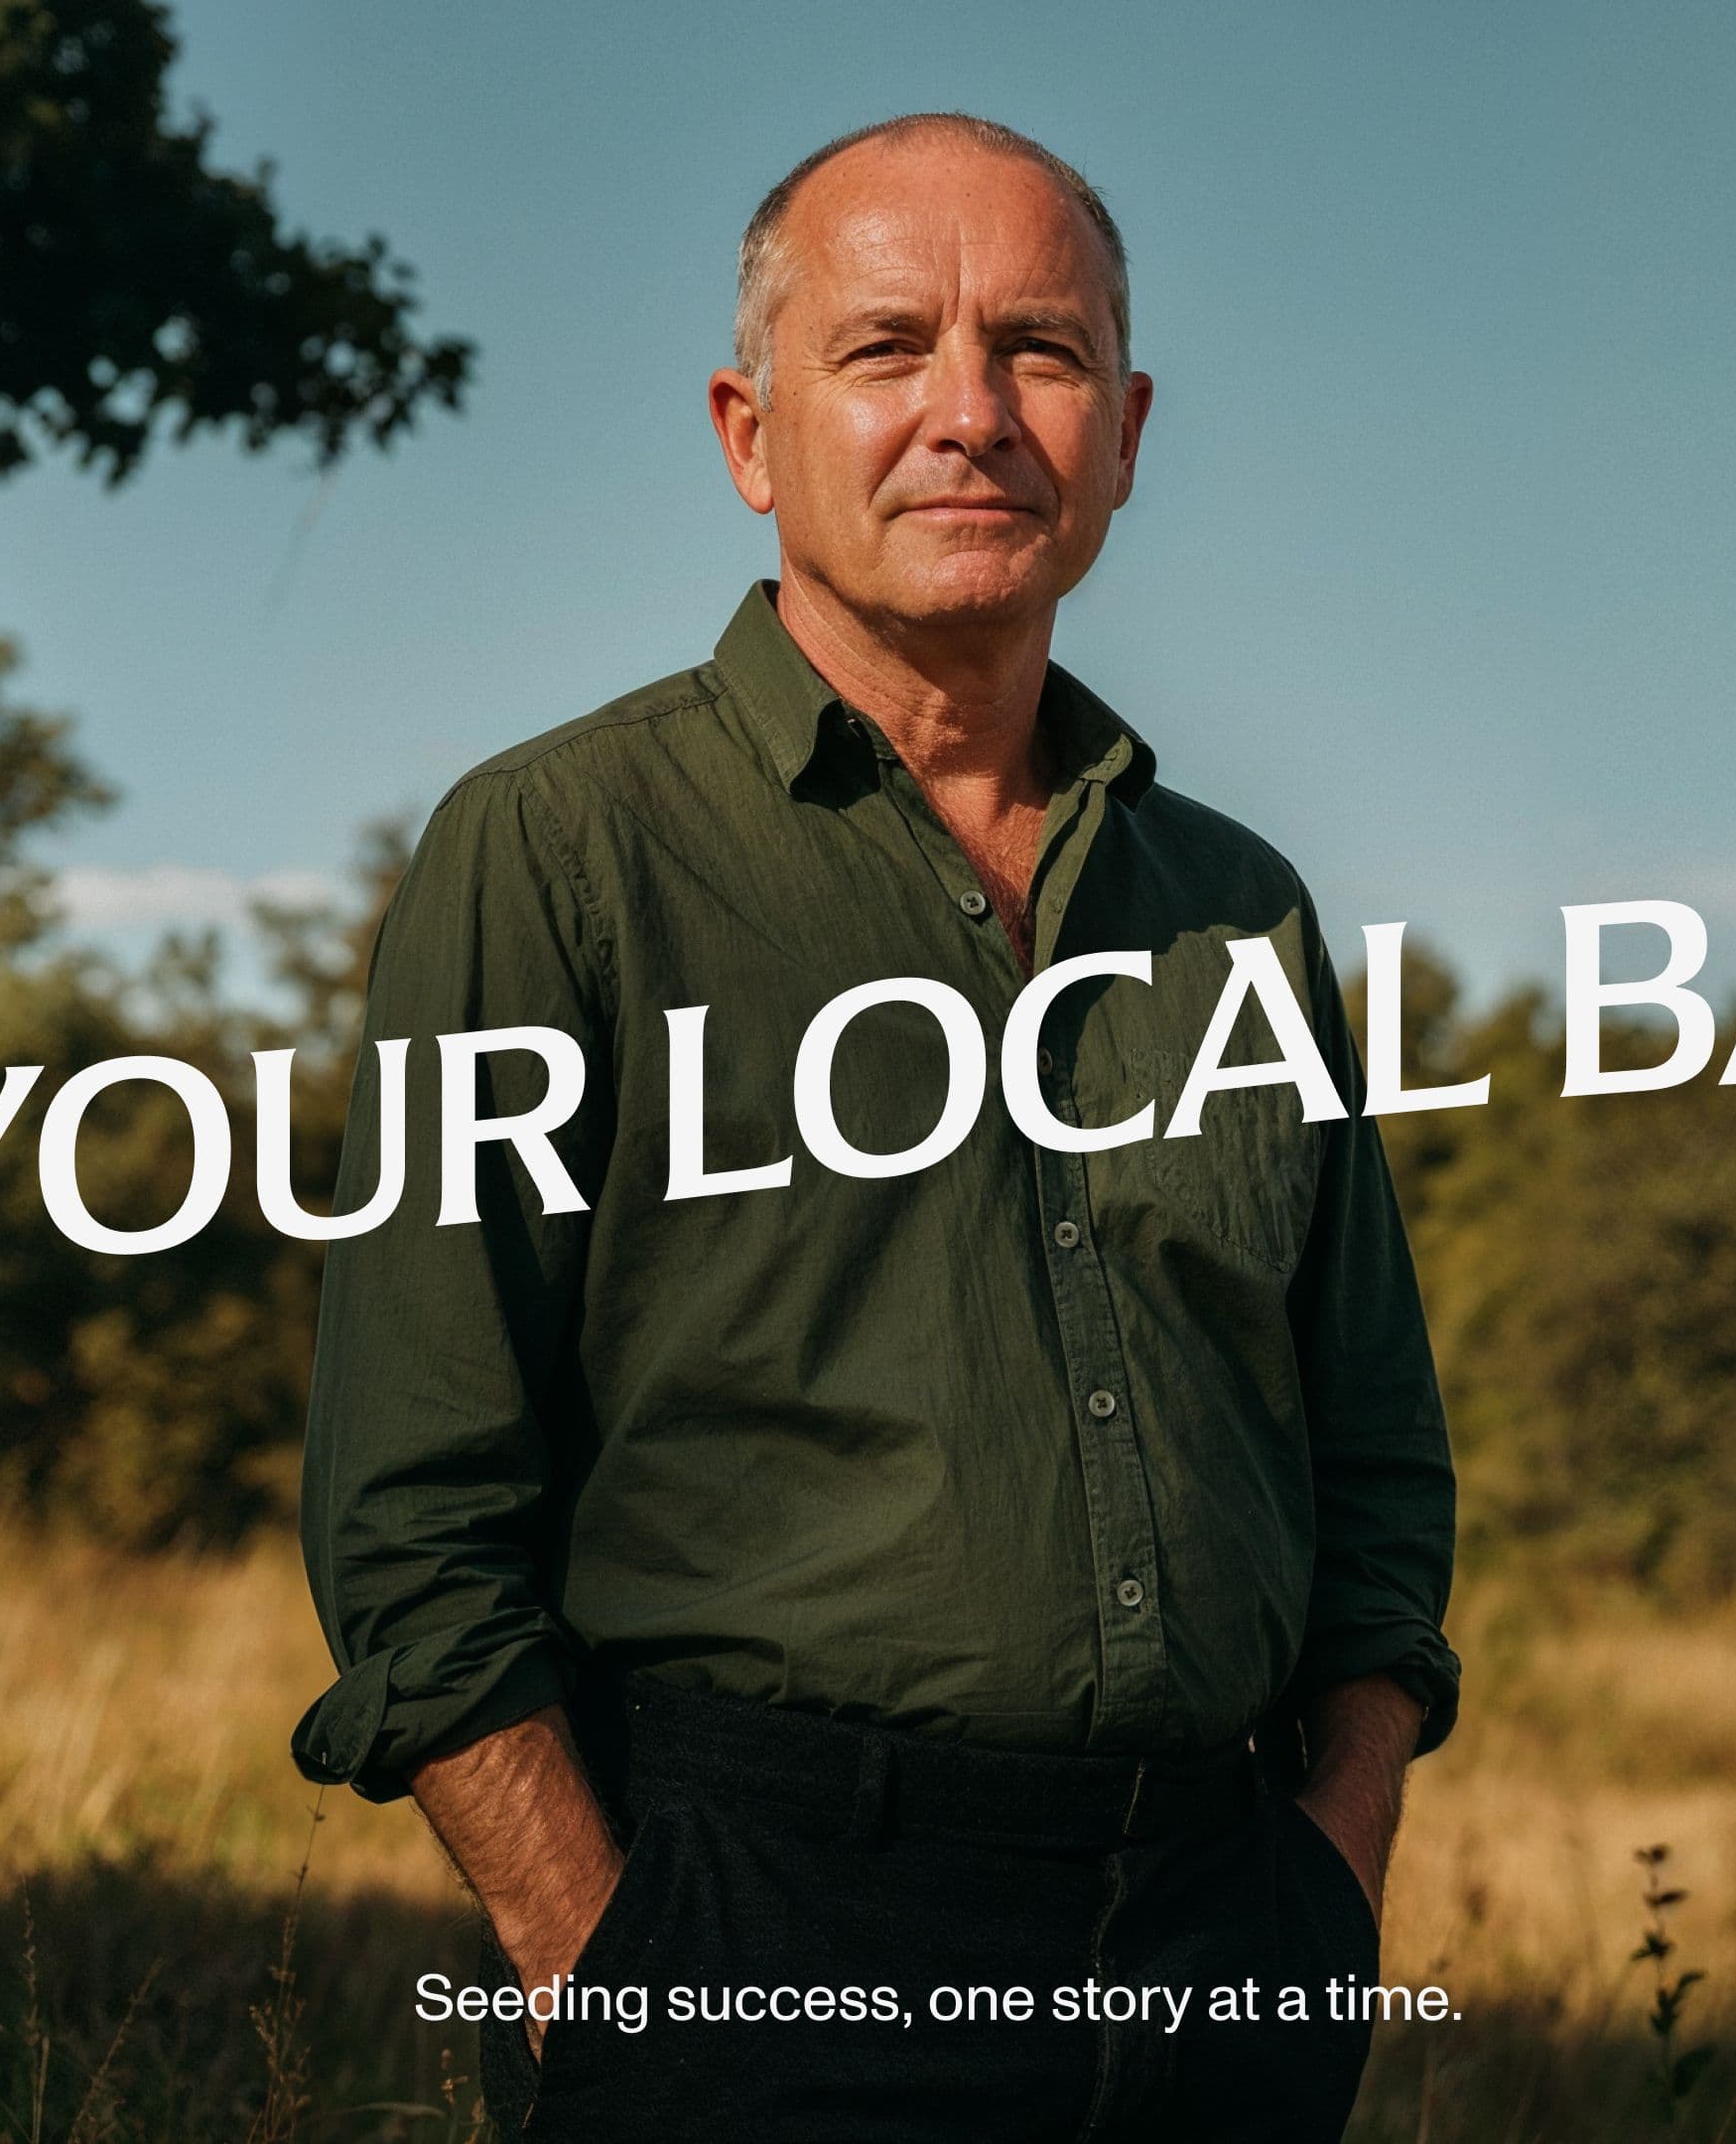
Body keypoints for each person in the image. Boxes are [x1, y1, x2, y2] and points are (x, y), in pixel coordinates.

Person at [294, 111, 1458, 2142]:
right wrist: (616, 1980)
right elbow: (412, 1509)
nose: (972, 413)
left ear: (1126, 426)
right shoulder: (563, 855)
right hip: (750, 1918)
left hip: (1217, 1940)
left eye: (1041, 349)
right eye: (888, 347)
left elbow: (1374, 1465)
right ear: (752, 435)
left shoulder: (1239, 906)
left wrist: (1326, 1890)